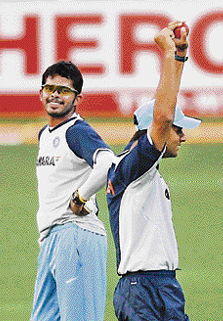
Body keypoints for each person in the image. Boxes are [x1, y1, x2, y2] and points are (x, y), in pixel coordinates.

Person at [106, 21, 201, 320]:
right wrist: (168, 54)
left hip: (163, 285)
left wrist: (180, 55)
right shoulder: (134, 166)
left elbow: (164, 114)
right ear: (155, 132)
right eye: (178, 130)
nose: (183, 136)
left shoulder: (143, 168)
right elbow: (162, 115)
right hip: (142, 289)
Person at [30, 60, 114, 321]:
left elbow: (107, 162)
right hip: (52, 238)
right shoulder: (46, 133)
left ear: (77, 99)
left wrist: (82, 195)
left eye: (64, 90)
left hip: (77, 235)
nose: (55, 94)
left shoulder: (76, 131)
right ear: (41, 92)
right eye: (50, 87)